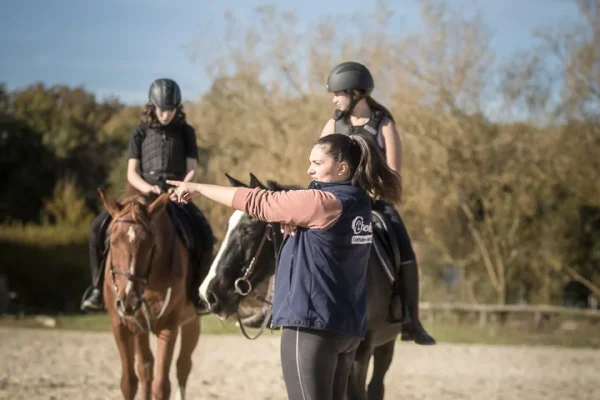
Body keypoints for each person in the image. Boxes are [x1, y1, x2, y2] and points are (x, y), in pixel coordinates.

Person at [167, 133, 402, 400]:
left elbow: (259, 203)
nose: (309, 169)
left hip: (311, 326)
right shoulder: (358, 203)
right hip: (346, 328)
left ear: (342, 168)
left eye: (316, 162)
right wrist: (293, 218)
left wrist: (199, 188)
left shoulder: (321, 203)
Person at [320, 61, 436, 345]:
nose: (334, 99)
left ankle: (411, 319)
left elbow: (394, 174)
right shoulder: (334, 124)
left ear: (357, 93)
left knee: (404, 247)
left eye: (339, 93)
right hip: (340, 202)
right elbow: (320, 167)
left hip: (376, 204)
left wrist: (371, 192)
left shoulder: (383, 124)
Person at [80, 78, 214, 315]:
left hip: (175, 195)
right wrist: (147, 187)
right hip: (141, 193)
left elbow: (192, 167)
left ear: (177, 108)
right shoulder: (139, 132)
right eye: (162, 110)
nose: (166, 115)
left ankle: (196, 294)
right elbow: (131, 172)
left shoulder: (186, 132)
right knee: (97, 227)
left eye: (171, 110)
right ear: (152, 106)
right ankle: (97, 290)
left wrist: (182, 186)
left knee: (204, 233)